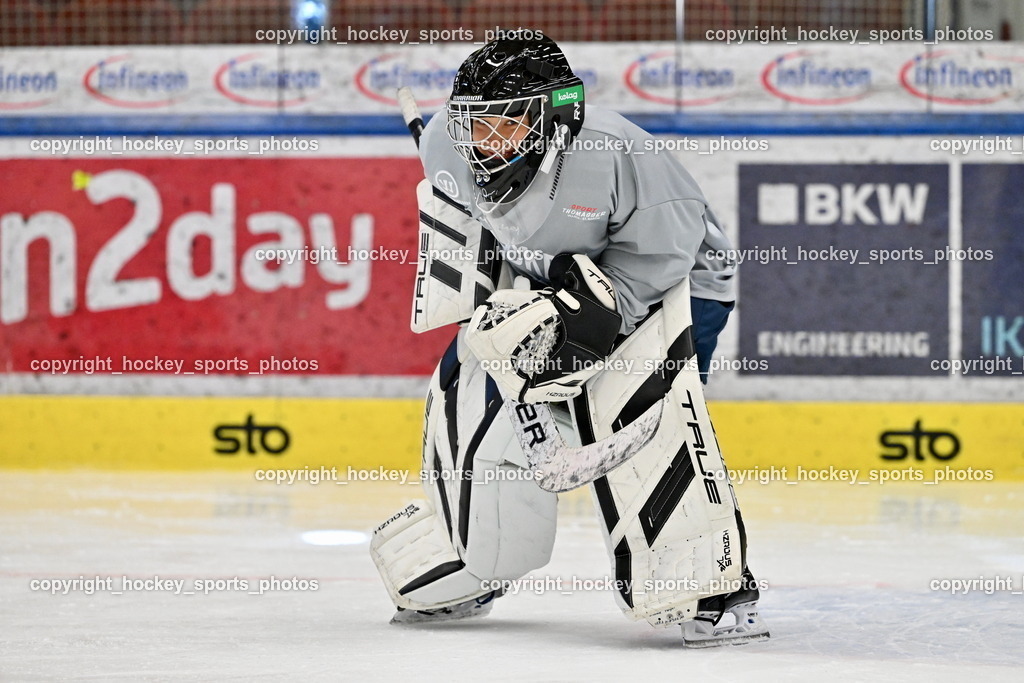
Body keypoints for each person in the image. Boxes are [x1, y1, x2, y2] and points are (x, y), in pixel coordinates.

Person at [370, 31, 769, 648]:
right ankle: (476, 553)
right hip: (552, 278)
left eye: (502, 125)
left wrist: (584, 324)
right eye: (474, 124)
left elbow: (661, 260)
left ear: (554, 117)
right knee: (468, 387)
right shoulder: (450, 146)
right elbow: (465, 243)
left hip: (673, 280)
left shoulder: (622, 159)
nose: (483, 143)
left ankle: (711, 583)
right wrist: (506, 330)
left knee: (638, 411)